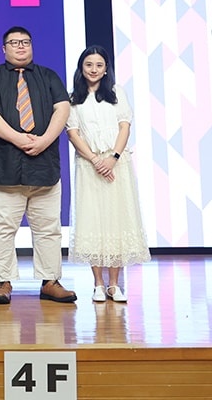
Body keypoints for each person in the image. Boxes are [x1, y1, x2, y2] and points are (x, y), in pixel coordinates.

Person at [0, 26, 76, 304]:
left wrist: (45, 140)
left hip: (44, 166)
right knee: (1, 230)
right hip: (4, 166)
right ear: (3, 48)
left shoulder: (48, 76)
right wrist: (18, 138)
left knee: (49, 229)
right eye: (14, 42)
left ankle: (50, 281)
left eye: (25, 42)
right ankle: (3, 282)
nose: (20, 46)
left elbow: (63, 108)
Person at [66, 45, 150, 302]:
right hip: (88, 165)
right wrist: (95, 160)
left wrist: (112, 158)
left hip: (117, 163)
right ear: (81, 67)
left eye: (99, 65)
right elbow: (73, 133)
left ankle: (114, 284)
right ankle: (98, 284)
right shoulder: (73, 98)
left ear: (106, 69)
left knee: (117, 220)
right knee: (93, 220)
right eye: (89, 64)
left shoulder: (116, 93)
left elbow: (125, 127)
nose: (94, 69)